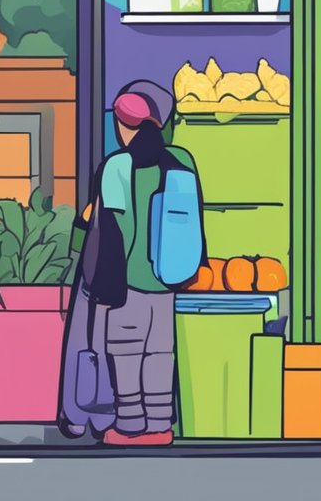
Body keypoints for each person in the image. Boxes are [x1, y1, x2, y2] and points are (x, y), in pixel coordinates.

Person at [88, 80, 200, 446]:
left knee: (125, 350)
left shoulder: (117, 165)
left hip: (129, 280)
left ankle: (131, 425)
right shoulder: (182, 160)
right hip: (169, 277)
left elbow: (114, 227)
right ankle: (161, 425)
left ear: (125, 123)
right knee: (158, 353)